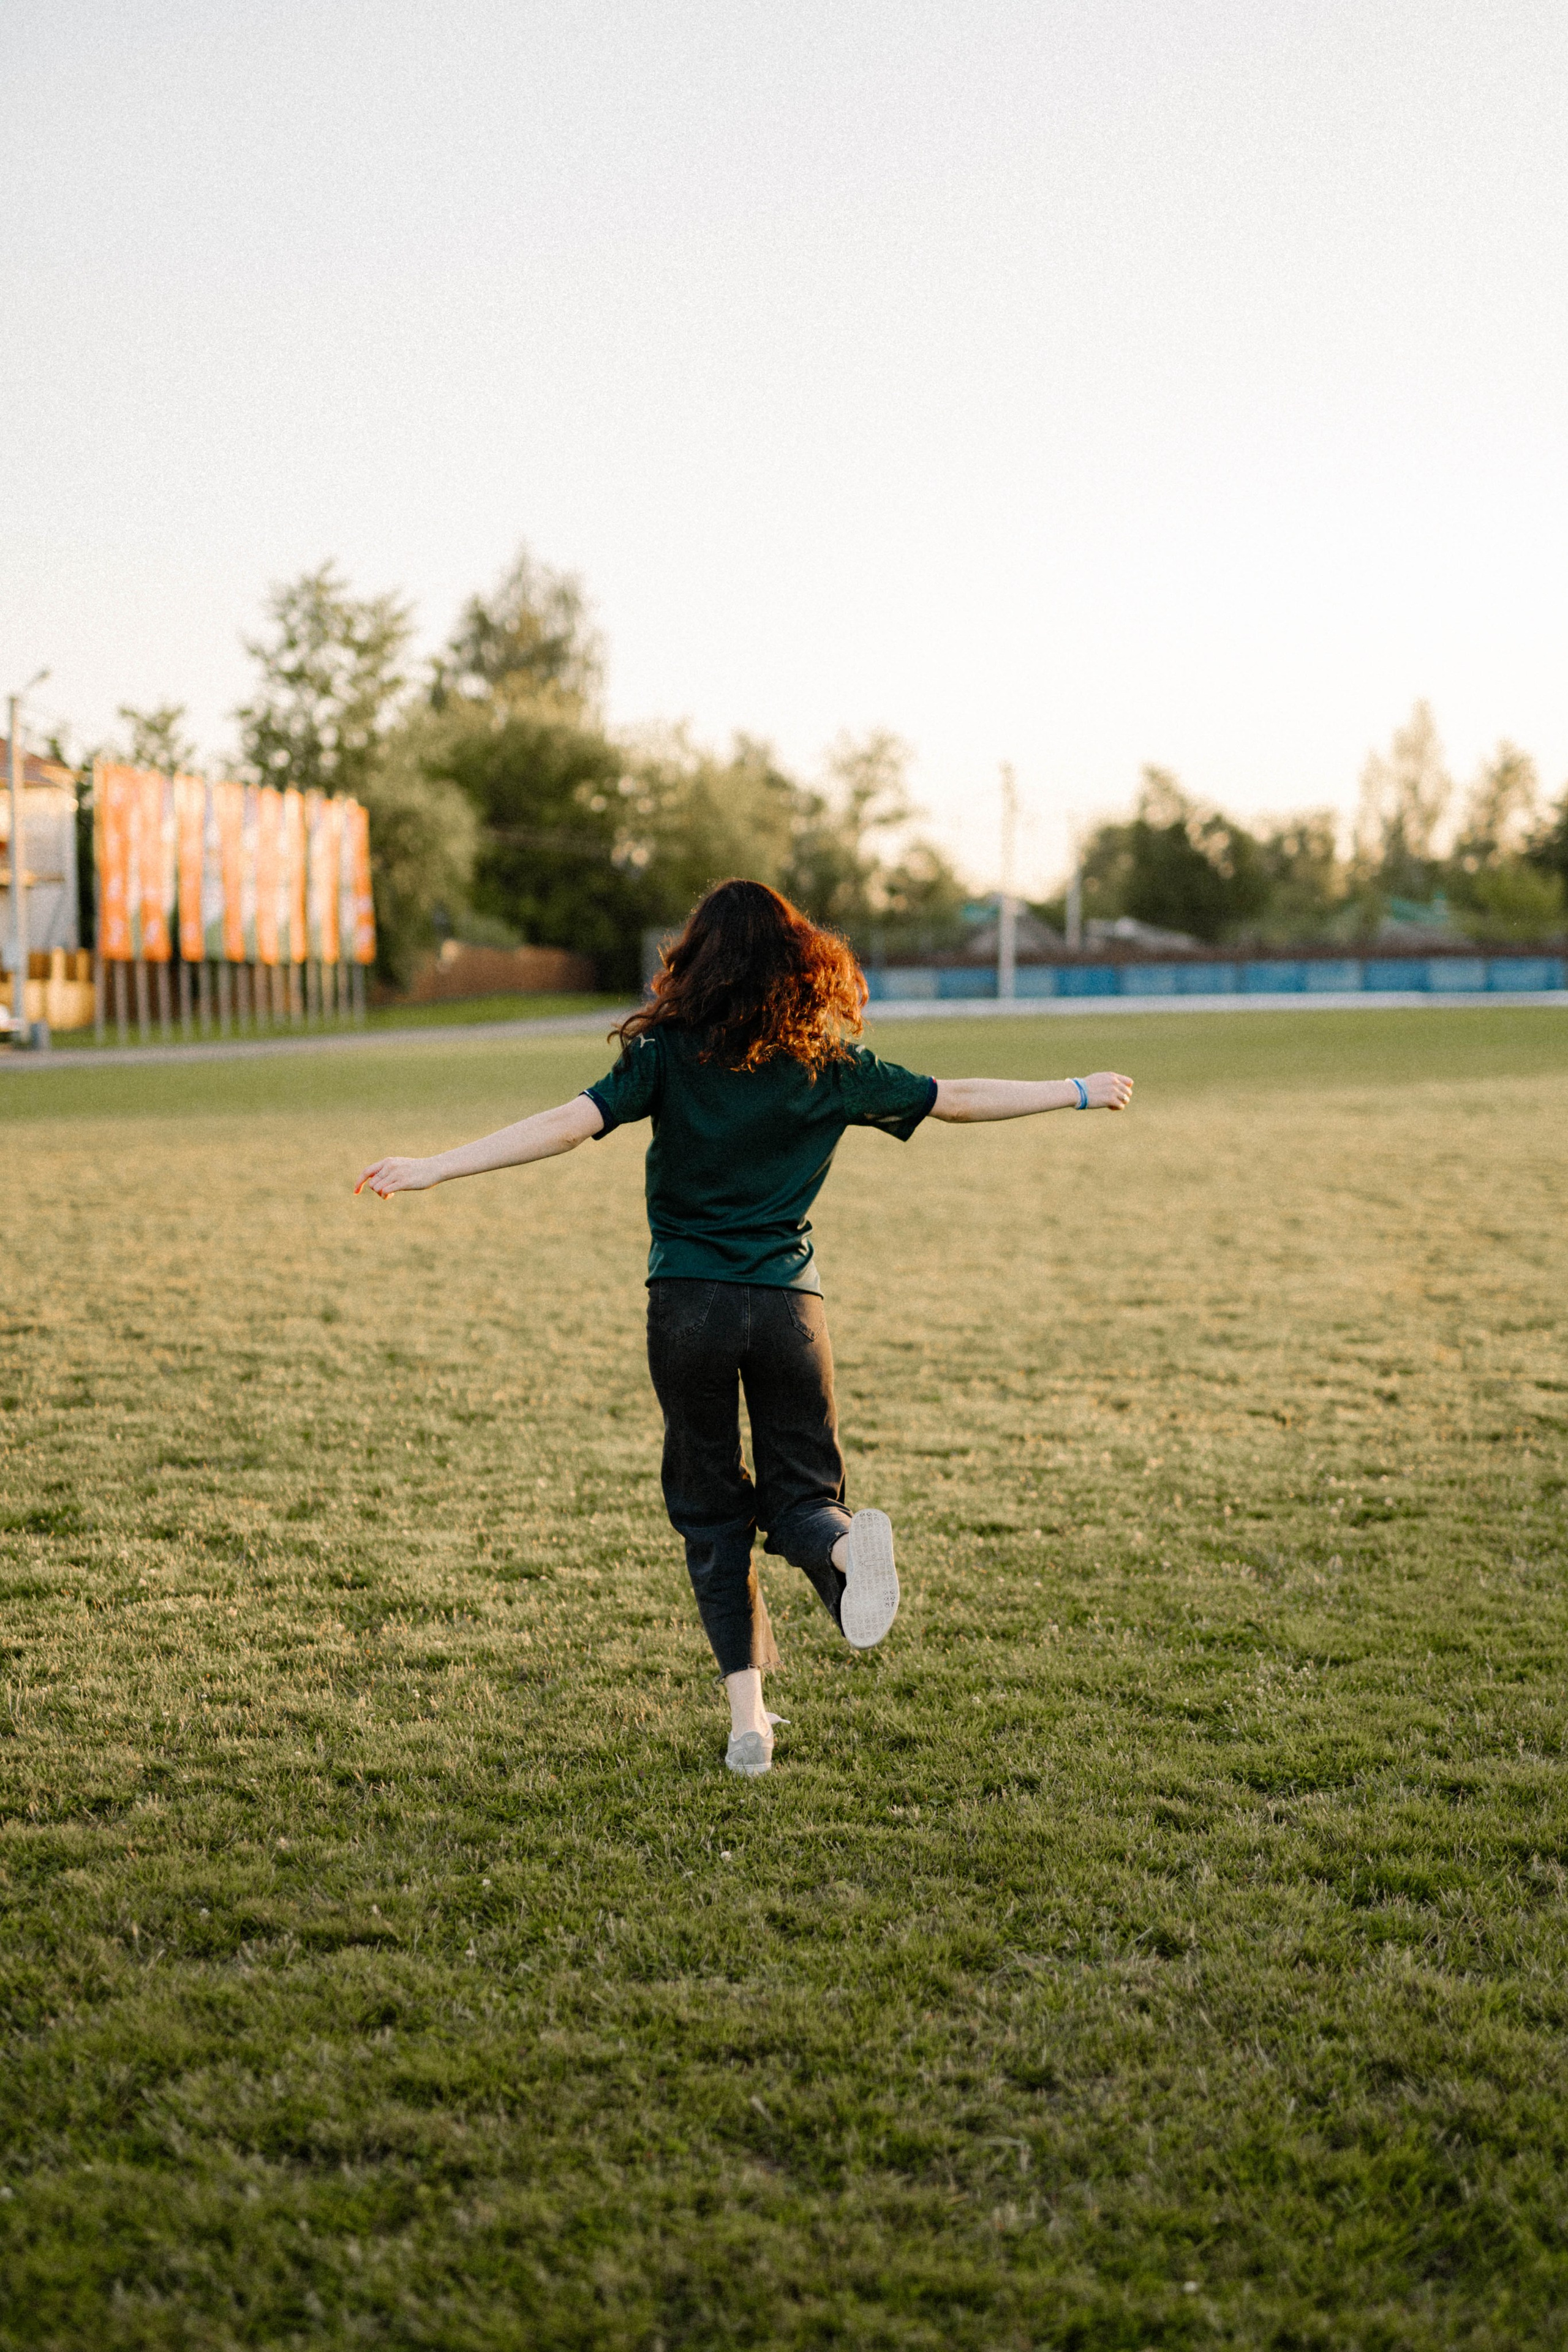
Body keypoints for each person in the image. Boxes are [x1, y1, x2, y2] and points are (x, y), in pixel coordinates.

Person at [357, 879, 1133, 1777]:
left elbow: (566, 1128)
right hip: (789, 1310)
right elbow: (955, 1096)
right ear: (801, 963)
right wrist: (1076, 1090)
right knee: (803, 1497)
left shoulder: (665, 1056)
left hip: (688, 1306)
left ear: (700, 960)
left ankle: (749, 1725)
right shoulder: (829, 1067)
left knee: (712, 1512)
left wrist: (436, 1167)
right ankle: (843, 1548)